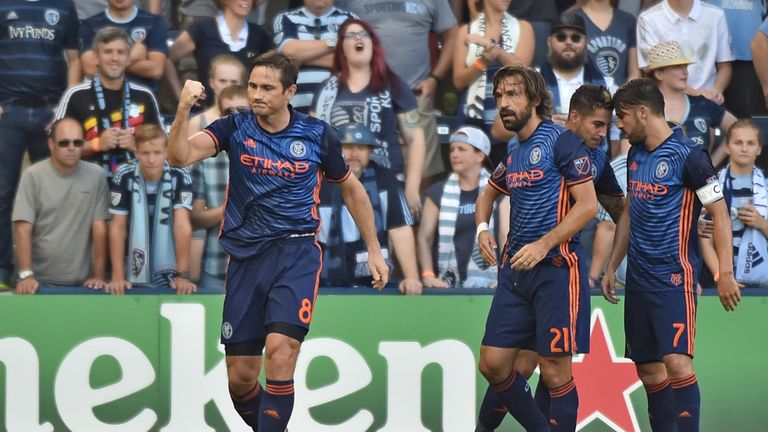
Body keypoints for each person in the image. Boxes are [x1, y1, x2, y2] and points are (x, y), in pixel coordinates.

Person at [166, 51, 389, 431]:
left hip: (296, 252)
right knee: (241, 377)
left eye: (267, 88)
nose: (256, 94)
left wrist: (374, 250)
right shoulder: (233, 127)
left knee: (281, 353)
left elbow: (352, 191)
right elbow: (179, 156)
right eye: (252, 86)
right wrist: (183, 109)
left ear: (290, 92)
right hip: (246, 258)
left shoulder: (317, 134)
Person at [475, 83, 624, 431]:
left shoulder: (596, 157)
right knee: (512, 367)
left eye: (607, 126)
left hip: (559, 271)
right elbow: (491, 192)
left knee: (548, 368)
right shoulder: (539, 142)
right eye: (597, 125)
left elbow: (616, 207)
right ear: (574, 117)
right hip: (523, 271)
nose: (603, 134)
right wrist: (483, 227)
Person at [602, 78, 741, 432]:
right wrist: (612, 265)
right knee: (648, 370)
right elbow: (630, 211)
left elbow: (720, 213)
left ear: (643, 112)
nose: (619, 124)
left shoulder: (690, 156)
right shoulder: (634, 154)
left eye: (622, 116)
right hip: (639, 281)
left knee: (677, 364)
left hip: (673, 279)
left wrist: (725, 272)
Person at [0, 0, 81, 291]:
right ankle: (2, 269)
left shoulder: (64, 5)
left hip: (49, 113)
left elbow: (74, 58)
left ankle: (41, 270)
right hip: (8, 111)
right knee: (2, 193)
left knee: (51, 195)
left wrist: (64, 106)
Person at [312, 19, 426, 217]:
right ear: (342, 48)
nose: (358, 38)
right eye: (351, 35)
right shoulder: (326, 88)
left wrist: (412, 187)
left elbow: (416, 138)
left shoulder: (394, 85)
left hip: (386, 182)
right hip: (336, 184)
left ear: (374, 45)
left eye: (364, 34)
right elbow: (313, 139)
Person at [338, 0, 458, 183]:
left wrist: (435, 79)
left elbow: (451, 34)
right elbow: (337, 34)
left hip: (416, 94)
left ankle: (413, 212)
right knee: (361, 170)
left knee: (422, 174)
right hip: (366, 96)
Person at [318, 122, 422, 294]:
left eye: (361, 148)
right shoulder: (318, 181)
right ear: (336, 149)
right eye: (348, 147)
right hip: (324, 282)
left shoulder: (386, 180)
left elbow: (400, 229)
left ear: (371, 152)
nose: (354, 153)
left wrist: (411, 276)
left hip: (374, 281)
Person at [12, 117, 110, 294]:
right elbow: (22, 228)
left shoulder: (96, 175)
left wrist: (99, 275)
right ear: (51, 144)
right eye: (64, 143)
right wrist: (26, 276)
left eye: (78, 142)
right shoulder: (33, 175)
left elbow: (100, 229)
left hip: (84, 283)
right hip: (39, 283)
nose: (71, 147)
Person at [56, 26, 165, 177]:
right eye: (108, 52)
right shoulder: (76, 96)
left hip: (134, 185)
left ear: (128, 59)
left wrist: (135, 145)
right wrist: (96, 144)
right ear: (96, 57)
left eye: (121, 52)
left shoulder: (144, 96)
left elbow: (163, 148)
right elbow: (57, 148)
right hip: (88, 184)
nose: (114, 58)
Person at [108, 124, 196, 294]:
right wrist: (117, 275)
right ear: (136, 152)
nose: (151, 160)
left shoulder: (180, 173)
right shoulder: (123, 174)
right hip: (132, 256)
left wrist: (182, 274)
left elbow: (182, 225)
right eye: (145, 153)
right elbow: (118, 227)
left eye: (157, 153)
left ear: (166, 152)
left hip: (169, 255)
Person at [418, 126, 509, 289]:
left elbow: (506, 237)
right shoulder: (437, 192)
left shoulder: (500, 192)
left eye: (462, 149)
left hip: (492, 285)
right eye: (452, 149)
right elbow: (425, 238)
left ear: (480, 155)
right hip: (446, 286)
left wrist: (506, 277)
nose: (454, 154)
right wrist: (427, 275)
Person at [190, 84, 249, 291]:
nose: (234, 117)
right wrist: (230, 208)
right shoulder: (205, 160)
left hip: (259, 267)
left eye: (241, 111)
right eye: (227, 112)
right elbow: (195, 218)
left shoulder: (273, 158)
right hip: (216, 268)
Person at [644, 41, 737, 167]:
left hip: (699, 185)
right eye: (677, 67)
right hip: (657, 185)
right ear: (659, 74)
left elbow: (738, 129)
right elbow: (629, 154)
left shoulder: (702, 104)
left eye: (685, 66)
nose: (685, 72)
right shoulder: (644, 110)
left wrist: (711, 163)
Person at [452, 0, 534, 139]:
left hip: (508, 118)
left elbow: (524, 70)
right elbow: (458, 81)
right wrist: (482, 62)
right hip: (474, 115)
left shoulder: (523, 27)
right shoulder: (466, 31)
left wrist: (491, 47)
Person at [701, 120, 768, 287]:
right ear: (728, 147)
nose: (744, 149)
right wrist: (721, 276)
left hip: (762, 283)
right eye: (738, 143)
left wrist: (762, 224)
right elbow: (705, 239)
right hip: (719, 283)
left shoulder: (766, 186)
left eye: (751, 143)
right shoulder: (712, 185)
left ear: (759, 148)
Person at [169, 0, 273, 103]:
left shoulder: (260, 35)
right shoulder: (202, 29)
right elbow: (167, 59)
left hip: (244, 113)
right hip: (206, 111)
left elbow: (275, 69)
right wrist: (181, 95)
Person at [636, 0, 733, 105]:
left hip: (709, 103)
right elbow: (649, 69)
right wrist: (695, 93)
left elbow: (725, 66)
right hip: (668, 103)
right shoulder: (648, 19)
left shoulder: (716, 14)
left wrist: (716, 91)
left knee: (738, 122)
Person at [273, 0, 357, 113]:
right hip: (294, 111)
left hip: (338, 110)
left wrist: (301, 57)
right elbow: (288, 53)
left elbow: (354, 59)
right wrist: (335, 42)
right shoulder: (285, 19)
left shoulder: (351, 19)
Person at [79, 0, 169, 89]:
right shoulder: (90, 25)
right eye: (108, 52)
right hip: (102, 97)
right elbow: (90, 69)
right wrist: (132, 56)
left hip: (142, 98)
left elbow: (156, 70)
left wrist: (107, 63)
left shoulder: (154, 22)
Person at [573, 0, 640, 92]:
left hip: (621, 97)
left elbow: (634, 71)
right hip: (585, 96)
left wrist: (624, 98)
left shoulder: (628, 20)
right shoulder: (574, 19)